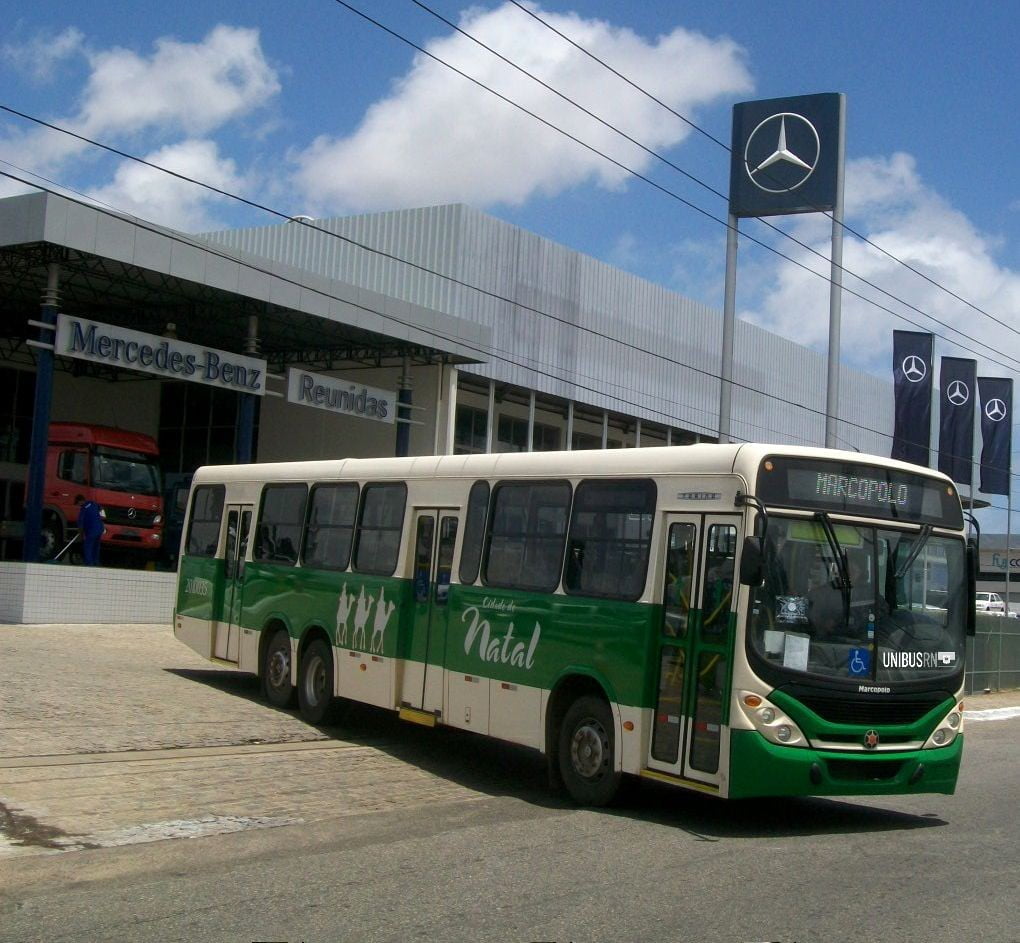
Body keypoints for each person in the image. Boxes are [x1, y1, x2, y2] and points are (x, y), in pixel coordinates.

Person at [76, 496, 105, 566]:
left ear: (81, 501)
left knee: (87, 546)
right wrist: (103, 516)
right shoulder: (93, 503)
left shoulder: (83, 510)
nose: (78, 505)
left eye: (77, 503)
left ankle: (89, 563)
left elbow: (80, 525)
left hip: (92, 531)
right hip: (100, 529)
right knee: (96, 547)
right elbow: (101, 508)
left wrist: (81, 537)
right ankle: (96, 562)